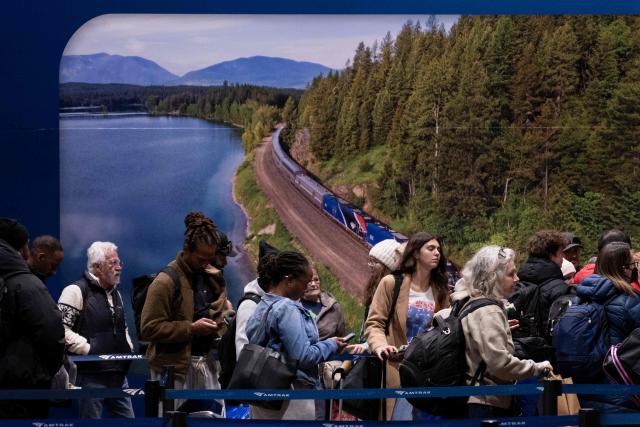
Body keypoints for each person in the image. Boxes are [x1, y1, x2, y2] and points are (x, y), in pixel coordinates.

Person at [141, 212, 231, 416]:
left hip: (204, 364)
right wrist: (191, 328)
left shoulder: (209, 277)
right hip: (174, 371)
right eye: (201, 259)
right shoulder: (165, 282)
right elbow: (149, 328)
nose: (206, 264)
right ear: (186, 250)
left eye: (209, 259)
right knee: (174, 421)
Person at [449, 246, 552, 418]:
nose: (517, 279)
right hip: (485, 402)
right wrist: (537, 368)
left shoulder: (472, 302)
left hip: (472, 399)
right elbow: (500, 364)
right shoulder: (490, 311)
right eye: (511, 274)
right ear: (493, 277)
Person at [246, 251, 349, 420]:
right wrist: (331, 344)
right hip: (291, 397)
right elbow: (303, 357)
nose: (306, 288)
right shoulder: (287, 308)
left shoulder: (262, 303)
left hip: (262, 394)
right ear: (289, 280)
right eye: (305, 282)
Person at [365, 232, 450, 420]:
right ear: (416, 254)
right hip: (397, 368)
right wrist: (380, 345)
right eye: (431, 248)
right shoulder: (391, 283)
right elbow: (374, 323)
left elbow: (447, 330)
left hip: (428, 374)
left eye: (438, 249)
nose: (437, 252)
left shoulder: (441, 289)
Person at [58, 241, 134, 419]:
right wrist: (89, 350)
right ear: (97, 267)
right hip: (91, 377)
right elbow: (60, 330)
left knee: (130, 423)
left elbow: (123, 327)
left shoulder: (116, 294)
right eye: (113, 263)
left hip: (118, 375)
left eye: (119, 262)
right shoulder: (75, 291)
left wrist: (128, 348)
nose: (119, 268)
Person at [0, 218, 65, 419]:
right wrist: (48, 371)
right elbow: (51, 332)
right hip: (23, 388)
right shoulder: (26, 284)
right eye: (26, 245)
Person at [575, 242, 640, 413]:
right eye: (633, 265)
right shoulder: (630, 302)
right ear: (624, 268)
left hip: (584, 392)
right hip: (624, 393)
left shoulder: (580, 298)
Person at [301, 266, 346, 420]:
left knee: (329, 416)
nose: (314, 284)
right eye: (309, 281)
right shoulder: (293, 306)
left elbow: (342, 335)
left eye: (316, 279)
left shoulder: (334, 307)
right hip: (304, 372)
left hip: (329, 372)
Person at [516, 230, 571, 328]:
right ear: (551, 255)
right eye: (561, 253)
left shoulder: (517, 279)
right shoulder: (559, 288)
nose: (563, 258)